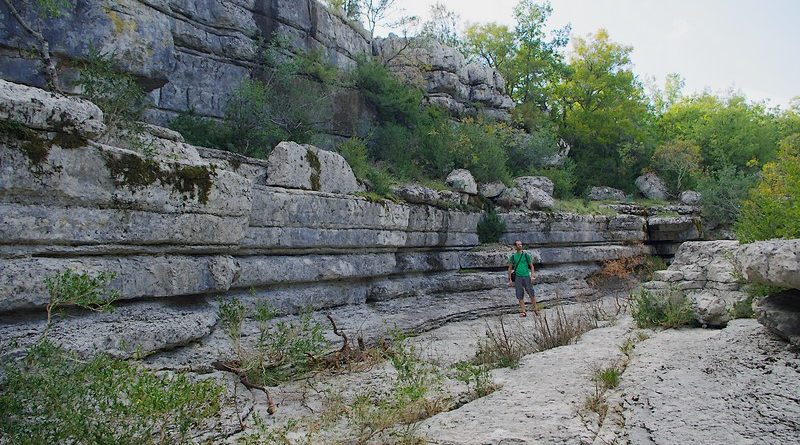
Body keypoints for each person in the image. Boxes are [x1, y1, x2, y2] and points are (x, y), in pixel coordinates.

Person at [507, 240, 539, 317]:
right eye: (518, 245)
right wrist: (510, 279)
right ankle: (523, 311)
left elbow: (531, 266)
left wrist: (532, 276)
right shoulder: (513, 256)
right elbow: (510, 268)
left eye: (521, 244)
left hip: (526, 276)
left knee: (531, 293)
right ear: (515, 246)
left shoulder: (525, 255)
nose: (520, 246)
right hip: (518, 277)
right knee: (520, 294)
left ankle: (535, 309)